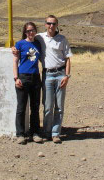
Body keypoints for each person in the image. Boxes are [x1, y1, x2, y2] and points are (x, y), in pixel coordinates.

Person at [15, 15, 72, 143]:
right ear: (45, 24)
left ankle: (55, 133)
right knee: (47, 105)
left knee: (59, 106)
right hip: (47, 74)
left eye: (53, 23)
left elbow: (68, 58)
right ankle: (46, 132)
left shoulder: (62, 39)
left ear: (57, 25)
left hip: (60, 74)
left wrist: (67, 76)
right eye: (48, 23)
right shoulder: (40, 37)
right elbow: (24, 42)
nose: (51, 26)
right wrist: (14, 49)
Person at [13, 22, 43, 144]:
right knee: (21, 107)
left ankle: (34, 132)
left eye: (33, 30)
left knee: (35, 107)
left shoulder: (38, 43)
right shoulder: (20, 44)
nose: (31, 33)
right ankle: (20, 134)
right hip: (23, 77)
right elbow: (15, 61)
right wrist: (16, 78)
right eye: (28, 31)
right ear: (25, 32)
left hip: (35, 77)